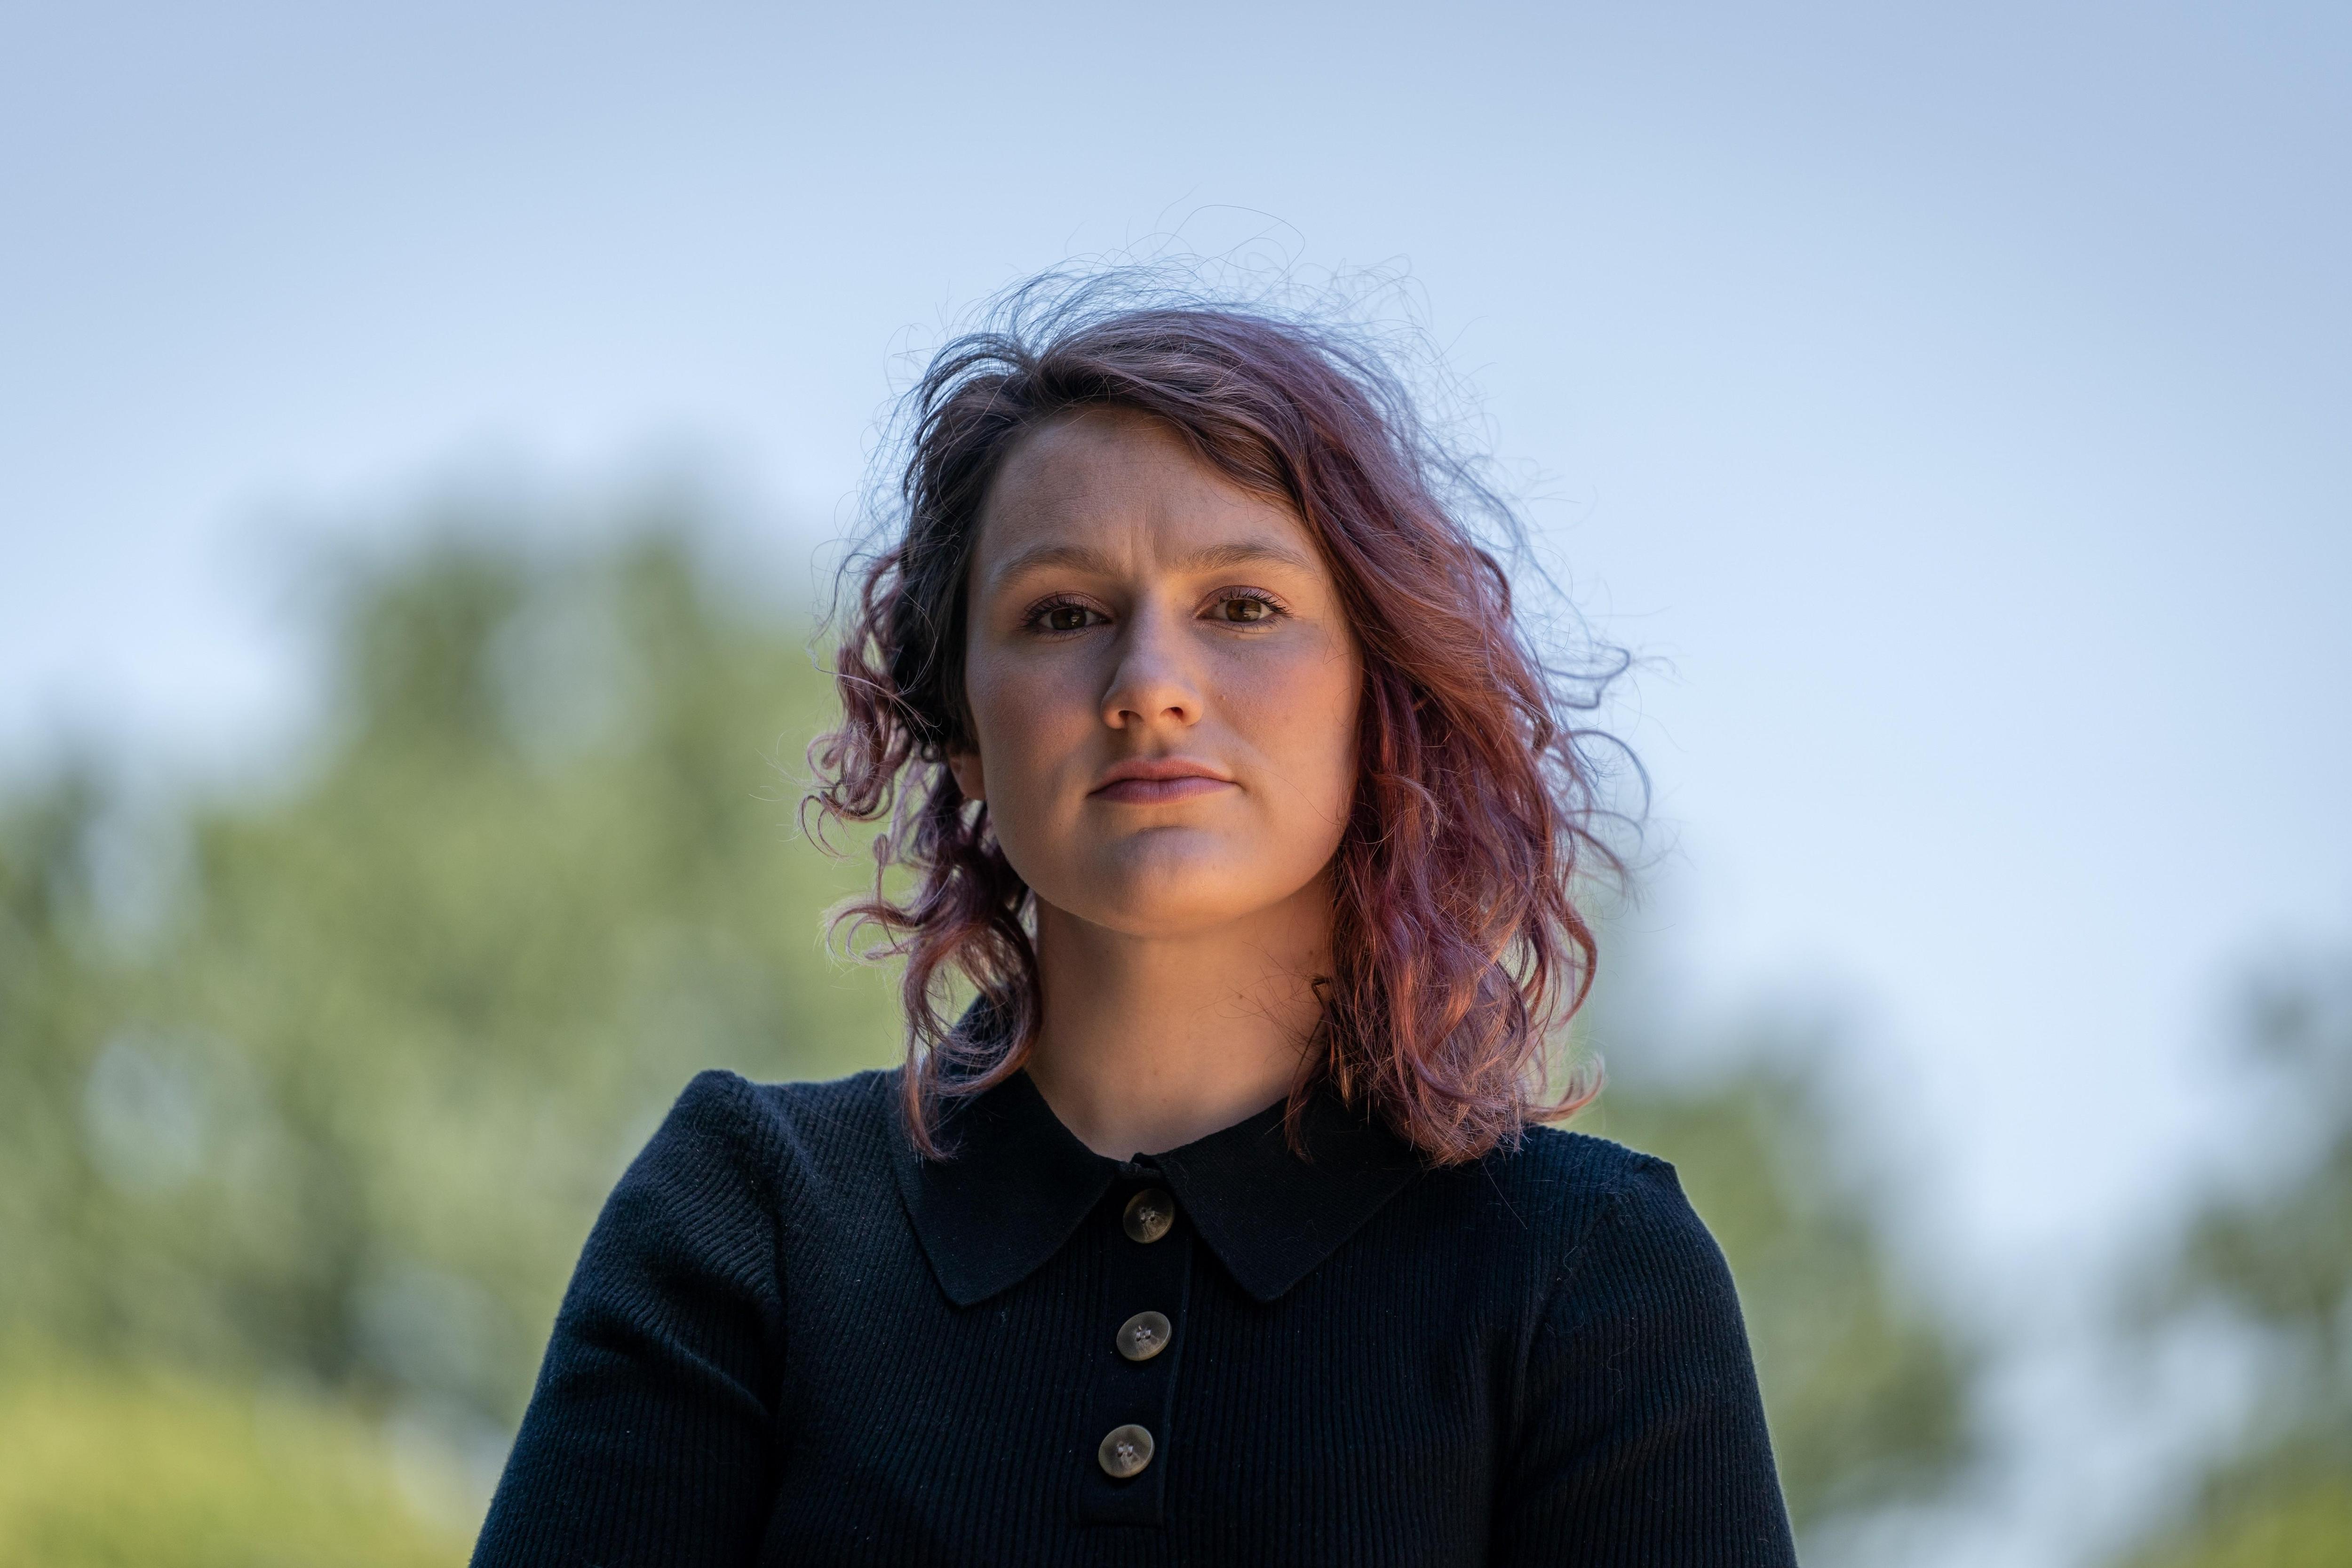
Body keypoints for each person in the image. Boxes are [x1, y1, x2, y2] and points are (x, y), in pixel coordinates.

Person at [472, 278, 1798, 1566]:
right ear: (964, 733)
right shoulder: (748, 1214)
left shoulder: (1587, 1274)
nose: (1150, 684)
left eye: (1243, 607)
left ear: (1377, 695)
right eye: (1063, 615)